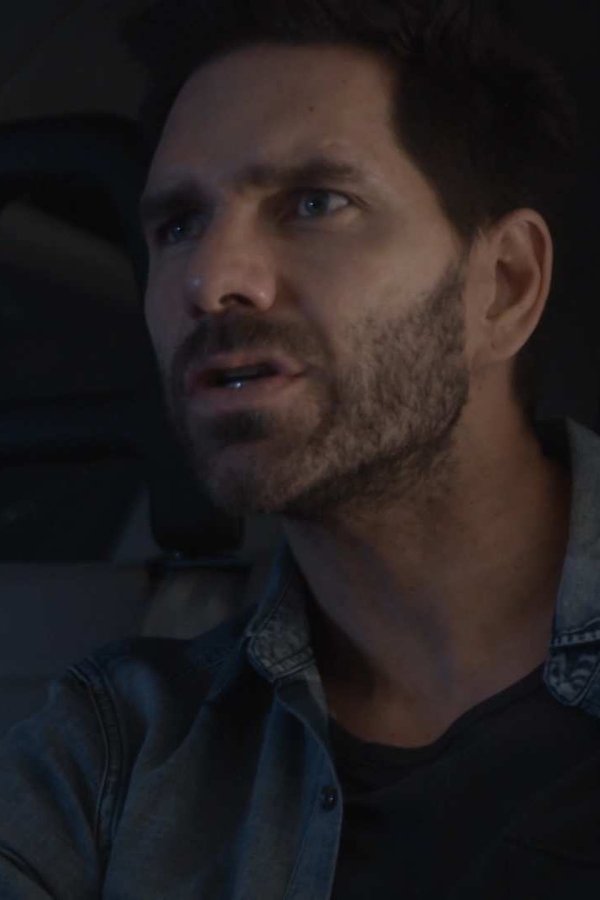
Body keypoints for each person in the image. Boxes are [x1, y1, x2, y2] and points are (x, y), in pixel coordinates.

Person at [0, 1, 595, 897]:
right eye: (178, 225)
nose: (211, 280)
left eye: (316, 203)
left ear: (504, 286)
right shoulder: (109, 754)